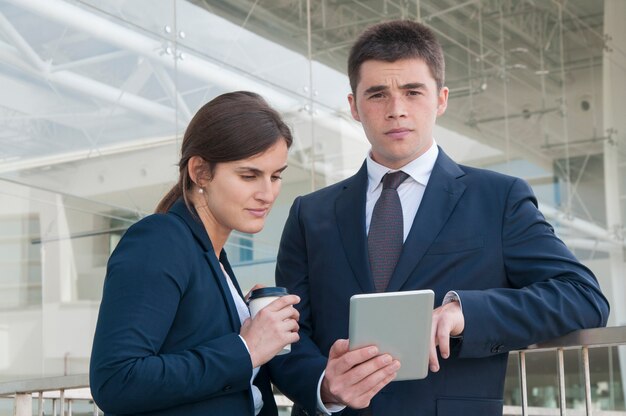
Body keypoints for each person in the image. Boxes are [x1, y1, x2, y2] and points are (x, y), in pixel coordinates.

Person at [268, 20, 610, 416]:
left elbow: (582, 296)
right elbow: (288, 337)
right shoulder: (311, 213)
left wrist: (464, 311)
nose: (396, 110)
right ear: (353, 107)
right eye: (377, 94)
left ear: (441, 99)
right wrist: (324, 386)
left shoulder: (498, 198)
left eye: (413, 92)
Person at [90, 91, 300, 416]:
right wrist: (245, 349)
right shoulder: (160, 240)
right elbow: (117, 380)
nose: (267, 193)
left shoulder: (211, 257)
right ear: (200, 172)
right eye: (249, 175)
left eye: (275, 176)